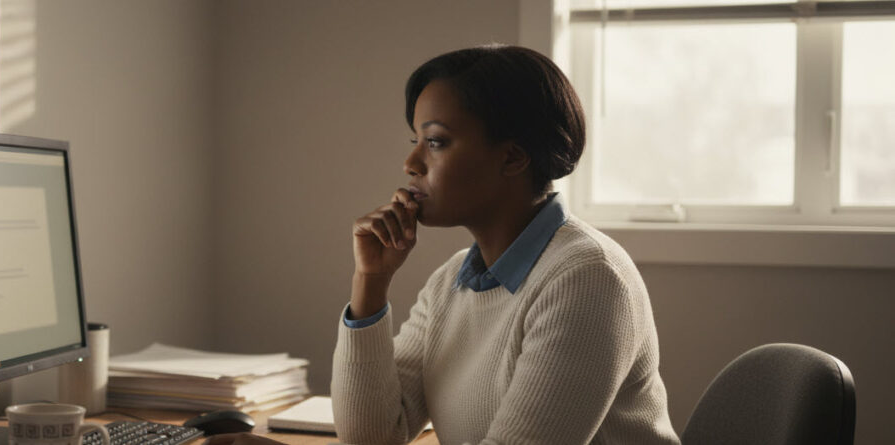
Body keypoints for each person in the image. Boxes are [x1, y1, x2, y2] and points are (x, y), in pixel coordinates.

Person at [205, 44, 679, 445]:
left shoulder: (587, 278)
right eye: (416, 140)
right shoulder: (452, 281)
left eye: (435, 142)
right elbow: (374, 436)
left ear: (512, 156)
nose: (411, 161)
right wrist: (371, 283)